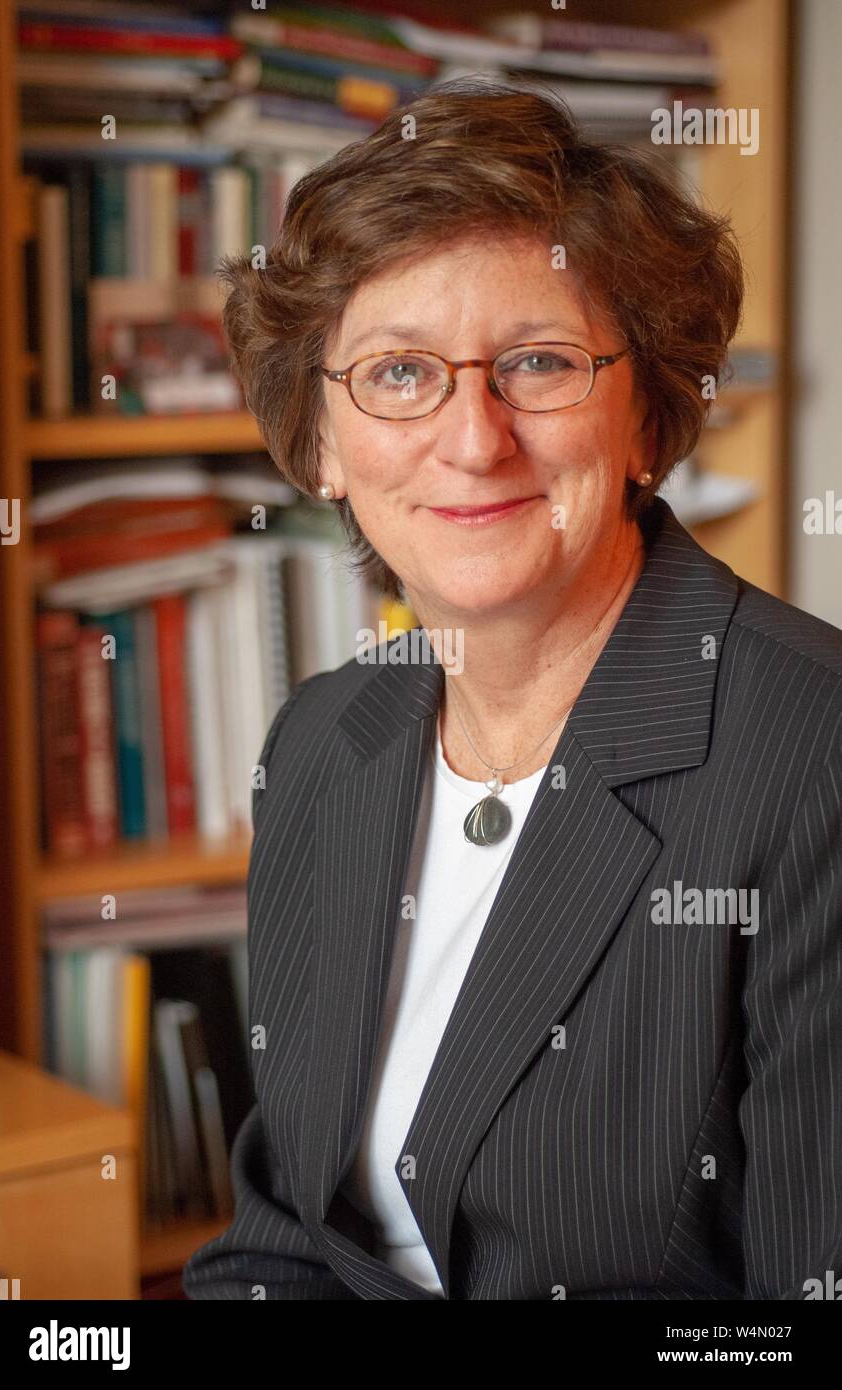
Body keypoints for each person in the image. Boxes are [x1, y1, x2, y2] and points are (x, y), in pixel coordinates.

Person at [183, 79, 842, 1300]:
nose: (473, 438)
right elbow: (282, 1246)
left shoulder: (811, 761)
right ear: (321, 443)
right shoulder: (325, 740)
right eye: (396, 373)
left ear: (647, 410)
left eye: (536, 362)